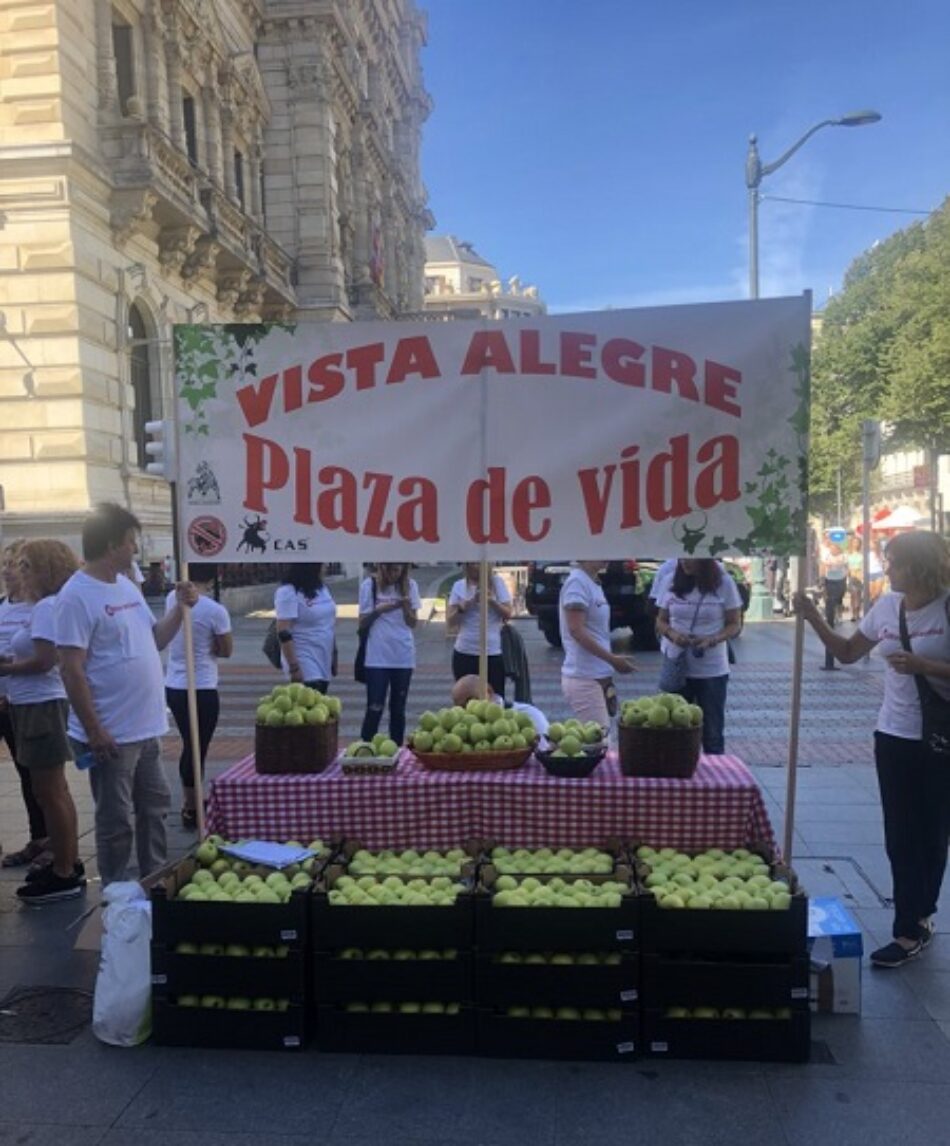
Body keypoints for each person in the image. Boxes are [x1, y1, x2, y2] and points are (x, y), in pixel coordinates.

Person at [795, 531, 950, 968]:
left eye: (895, 562)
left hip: (940, 737)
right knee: (901, 832)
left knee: (933, 829)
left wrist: (925, 666)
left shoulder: (946, 606)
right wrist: (812, 618)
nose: (888, 570)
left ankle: (921, 913)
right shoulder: (886, 606)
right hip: (894, 734)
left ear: (919, 565)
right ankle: (908, 929)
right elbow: (846, 652)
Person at [55, 503, 197, 886]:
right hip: (111, 734)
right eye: (132, 542)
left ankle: (153, 882)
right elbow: (71, 669)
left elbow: (153, 640)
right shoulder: (76, 596)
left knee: (154, 808)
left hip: (146, 728)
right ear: (112, 545)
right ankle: (116, 892)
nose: (136, 549)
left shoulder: (126, 586)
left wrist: (181, 610)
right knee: (115, 819)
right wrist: (94, 729)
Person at [0, 541, 83, 904]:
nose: (19, 572)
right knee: (49, 791)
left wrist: (6, 668)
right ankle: (65, 863)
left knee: (50, 792)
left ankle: (64, 869)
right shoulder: (46, 606)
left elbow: (46, 661)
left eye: (27, 566)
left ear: (47, 570)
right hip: (31, 703)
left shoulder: (48, 606)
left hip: (41, 705)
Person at [164, 563, 232, 830]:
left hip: (174, 684)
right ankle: (191, 806)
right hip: (202, 686)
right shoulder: (215, 611)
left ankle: (192, 801)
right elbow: (226, 650)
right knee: (196, 748)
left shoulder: (174, 597)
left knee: (189, 744)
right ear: (215, 574)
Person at [656, 558, 742, 755]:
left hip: (712, 669)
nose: (684, 561)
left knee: (712, 732)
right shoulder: (670, 580)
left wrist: (712, 639)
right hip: (677, 665)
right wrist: (673, 635)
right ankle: (678, 774)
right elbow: (660, 620)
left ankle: (714, 773)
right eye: (681, 557)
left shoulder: (724, 583)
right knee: (675, 730)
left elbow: (735, 624)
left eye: (690, 557)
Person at [0, 541, 50, 872]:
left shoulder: (40, 608)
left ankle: (43, 840)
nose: (6, 570)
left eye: (15, 564)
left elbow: (46, 658)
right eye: (4, 563)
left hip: (25, 702)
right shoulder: (1, 605)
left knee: (34, 776)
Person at [559, 560, 636, 728]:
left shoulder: (593, 582)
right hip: (584, 676)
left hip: (598, 675)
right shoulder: (577, 583)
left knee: (599, 738)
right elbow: (576, 631)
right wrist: (612, 659)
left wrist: (611, 660)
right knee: (599, 741)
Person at [358, 562, 420, 746]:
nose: (392, 574)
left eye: (396, 570)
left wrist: (407, 607)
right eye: (388, 569)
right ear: (380, 567)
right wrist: (380, 610)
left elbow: (413, 623)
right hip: (377, 655)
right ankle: (366, 745)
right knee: (375, 706)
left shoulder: (410, 586)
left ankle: (396, 747)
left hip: (402, 655)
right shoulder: (369, 586)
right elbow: (362, 622)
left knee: (398, 708)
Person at [447, 562, 513, 700]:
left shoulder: (497, 583)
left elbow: (508, 613)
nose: (476, 568)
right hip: (465, 650)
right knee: (465, 699)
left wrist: (491, 601)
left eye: (479, 564)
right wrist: (465, 606)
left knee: (495, 698)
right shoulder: (459, 586)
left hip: (492, 651)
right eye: (472, 564)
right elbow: (450, 621)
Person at [274, 563, 337, 693]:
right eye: (321, 564)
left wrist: (334, 655)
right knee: (310, 699)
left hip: (323, 655)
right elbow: (283, 631)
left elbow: (329, 622)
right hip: (303, 655)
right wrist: (294, 667)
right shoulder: (288, 592)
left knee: (321, 700)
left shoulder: (322, 589)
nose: (325, 567)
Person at [451, 673, 549, 735]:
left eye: (470, 701)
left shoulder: (529, 715)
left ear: (489, 692)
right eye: (461, 707)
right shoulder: (466, 731)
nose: (466, 710)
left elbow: (546, 749)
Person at [847, 536, 864, 620]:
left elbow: (863, 565)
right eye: (854, 542)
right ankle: (853, 613)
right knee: (853, 595)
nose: (855, 544)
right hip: (851, 576)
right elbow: (846, 565)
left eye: (857, 542)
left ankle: (857, 613)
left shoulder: (862, 554)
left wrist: (860, 573)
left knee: (858, 595)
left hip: (859, 575)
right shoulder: (848, 554)